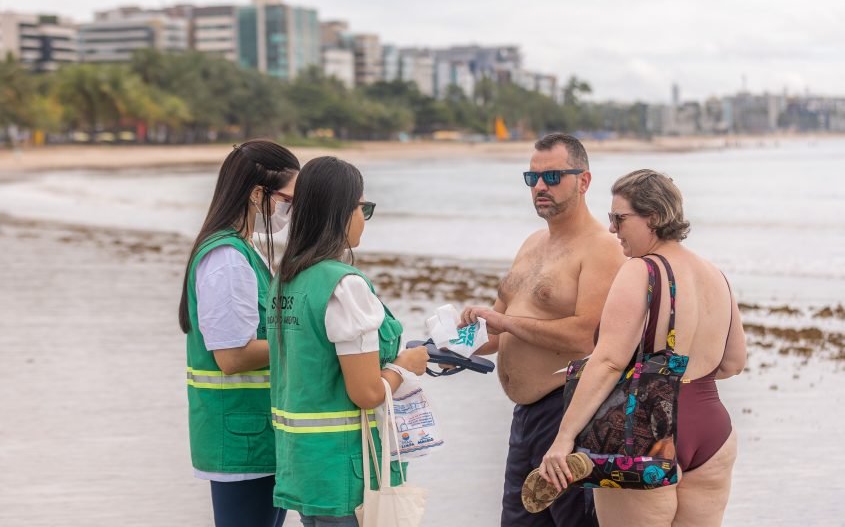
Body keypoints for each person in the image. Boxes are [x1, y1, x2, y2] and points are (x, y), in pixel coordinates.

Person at [540, 169, 747, 527]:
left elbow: (606, 362)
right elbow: (732, 363)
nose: (611, 229)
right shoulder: (716, 275)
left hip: (647, 432)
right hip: (712, 432)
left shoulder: (643, 270)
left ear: (653, 217)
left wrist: (563, 438)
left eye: (619, 219)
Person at [461, 133, 625, 526]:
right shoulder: (533, 242)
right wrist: (455, 347)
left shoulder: (602, 248)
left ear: (583, 181)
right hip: (525, 419)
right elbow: (498, 333)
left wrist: (503, 322)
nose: (539, 187)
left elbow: (588, 336)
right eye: (531, 178)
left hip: (569, 412)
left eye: (552, 176)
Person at [267, 156, 429, 527]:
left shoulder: (284, 280)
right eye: (363, 208)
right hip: (347, 471)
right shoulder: (344, 285)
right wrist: (405, 367)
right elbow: (367, 392)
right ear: (341, 211)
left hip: (304, 466)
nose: (363, 219)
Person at [178, 140, 300, 527]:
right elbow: (232, 357)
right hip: (241, 437)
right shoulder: (227, 258)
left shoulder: (244, 249)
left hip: (254, 432)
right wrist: (309, 341)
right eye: (288, 199)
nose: (290, 211)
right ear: (256, 193)